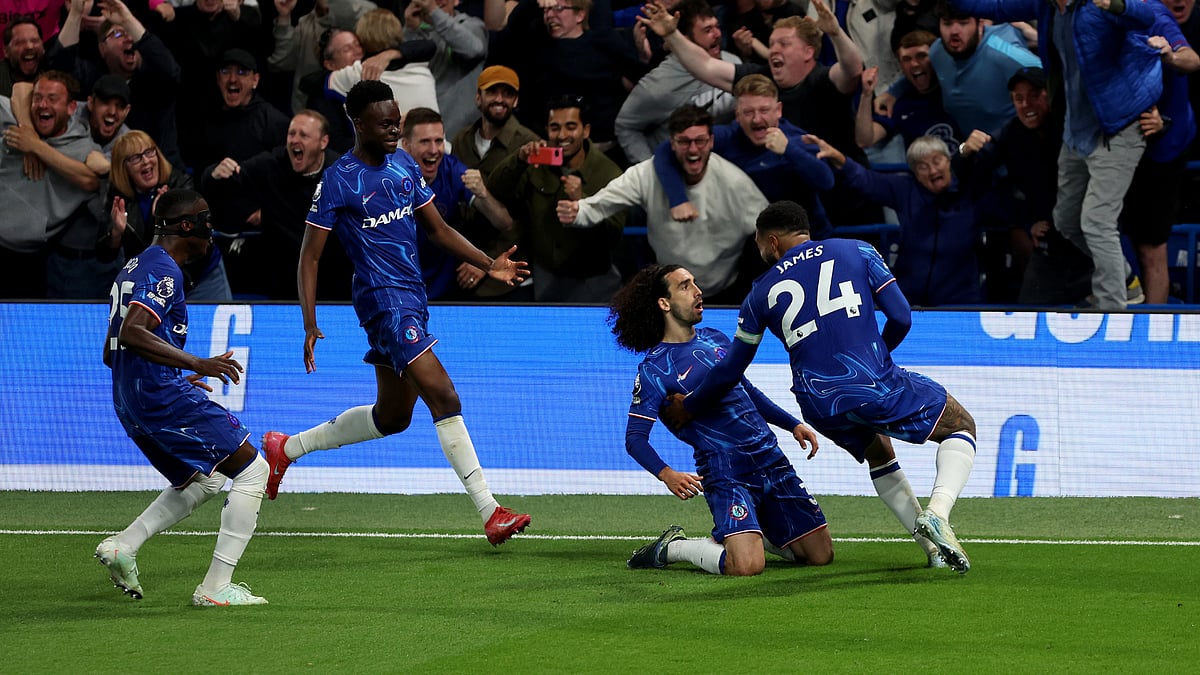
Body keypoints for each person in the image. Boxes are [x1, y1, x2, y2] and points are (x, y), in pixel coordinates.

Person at [261, 80, 533, 546]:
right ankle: (491, 511)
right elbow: (310, 256)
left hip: (414, 298)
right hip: (383, 303)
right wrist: (309, 322)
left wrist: (489, 264)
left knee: (393, 417)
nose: (394, 130)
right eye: (385, 123)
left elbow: (439, 229)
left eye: (397, 122)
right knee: (444, 395)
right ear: (357, 123)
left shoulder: (404, 164)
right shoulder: (339, 180)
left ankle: (286, 447)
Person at [662, 200, 977, 574]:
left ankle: (935, 551)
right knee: (961, 426)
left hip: (817, 403)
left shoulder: (758, 293)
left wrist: (689, 406)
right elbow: (902, 316)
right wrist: (878, 356)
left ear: (773, 241)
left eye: (759, 244)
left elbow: (731, 369)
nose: (760, 252)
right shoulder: (856, 250)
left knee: (879, 452)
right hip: (871, 380)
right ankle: (937, 513)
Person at [97, 187, 269, 606]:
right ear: (187, 226)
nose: (212, 230)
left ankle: (124, 545)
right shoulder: (164, 270)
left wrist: (169, 372)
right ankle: (215, 588)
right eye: (207, 221)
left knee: (206, 478)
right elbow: (132, 333)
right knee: (253, 469)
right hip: (158, 396)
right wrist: (196, 364)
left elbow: (110, 351)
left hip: (130, 398)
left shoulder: (136, 266)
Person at [610, 263, 833, 576]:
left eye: (695, 282)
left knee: (821, 555)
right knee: (746, 566)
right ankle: (673, 547)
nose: (698, 291)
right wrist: (667, 474)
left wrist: (792, 424)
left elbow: (747, 391)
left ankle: (754, 532)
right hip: (726, 470)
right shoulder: (654, 370)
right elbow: (635, 438)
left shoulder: (716, 339)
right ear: (664, 303)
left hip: (769, 456)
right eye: (685, 286)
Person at [947, 0, 1164, 310]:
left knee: (1096, 221)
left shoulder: (1098, 5)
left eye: (1032, 96)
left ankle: (1112, 311)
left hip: (1116, 127)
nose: (1025, 104)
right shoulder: (1047, 7)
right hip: (1077, 130)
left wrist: (1116, 3)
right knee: (1066, 220)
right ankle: (1125, 280)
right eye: (1018, 98)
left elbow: (1146, 17)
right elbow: (995, 7)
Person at [639, 1, 879, 227]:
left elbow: (852, 68)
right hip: (797, 210)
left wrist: (835, 33)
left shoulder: (825, 79)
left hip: (850, 199)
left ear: (808, 52)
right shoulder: (758, 83)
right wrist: (673, 35)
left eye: (783, 44)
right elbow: (706, 66)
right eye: (772, 43)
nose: (774, 50)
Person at [556, 104, 767, 304]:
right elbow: (605, 200)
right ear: (672, 143)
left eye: (700, 141)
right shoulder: (646, 174)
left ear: (711, 141)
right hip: (668, 291)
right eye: (684, 141)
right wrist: (579, 211)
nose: (693, 149)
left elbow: (772, 230)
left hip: (724, 293)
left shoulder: (736, 183)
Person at [811, 133, 989, 306]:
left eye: (937, 161)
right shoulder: (905, 189)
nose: (933, 170)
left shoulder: (970, 190)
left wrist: (968, 150)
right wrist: (838, 158)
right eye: (923, 166)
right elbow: (866, 179)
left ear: (949, 161)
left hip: (961, 301)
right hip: (910, 299)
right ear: (915, 174)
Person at [651, 74, 836, 239]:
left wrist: (788, 150)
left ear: (778, 110)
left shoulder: (797, 140)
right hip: (752, 239)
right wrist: (678, 200)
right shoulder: (729, 137)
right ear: (737, 115)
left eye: (764, 111)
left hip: (806, 238)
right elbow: (665, 149)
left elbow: (826, 182)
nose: (756, 119)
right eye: (748, 112)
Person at [199, 109, 353, 299]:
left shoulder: (343, 174)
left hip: (334, 279)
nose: (295, 140)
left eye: (303, 135)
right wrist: (213, 174)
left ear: (323, 142)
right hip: (284, 281)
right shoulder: (271, 164)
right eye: (291, 134)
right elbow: (221, 187)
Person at [486, 94, 626, 302]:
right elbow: (495, 189)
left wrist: (583, 203)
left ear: (586, 130)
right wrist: (519, 159)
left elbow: (614, 236)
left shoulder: (608, 173)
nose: (562, 135)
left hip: (595, 283)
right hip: (546, 279)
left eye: (571, 127)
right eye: (554, 127)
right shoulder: (536, 164)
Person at [0, 70, 100, 299]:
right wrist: (28, 130)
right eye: (38, 98)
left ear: (71, 107)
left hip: (27, 260)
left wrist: (36, 148)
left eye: (52, 99)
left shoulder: (84, 149)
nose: (43, 105)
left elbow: (91, 181)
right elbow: (20, 88)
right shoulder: (16, 117)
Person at [400, 106, 514, 300]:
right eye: (425, 142)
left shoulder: (452, 170)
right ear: (406, 145)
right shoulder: (387, 177)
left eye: (438, 141)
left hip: (445, 292)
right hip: (399, 288)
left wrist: (483, 193)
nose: (434, 150)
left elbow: (504, 223)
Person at [107, 130, 233, 300]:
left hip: (201, 277)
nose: (146, 161)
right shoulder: (119, 197)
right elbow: (104, 254)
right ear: (124, 167)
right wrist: (116, 233)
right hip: (156, 284)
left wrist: (160, 220)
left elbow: (190, 242)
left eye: (149, 152)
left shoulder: (180, 185)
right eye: (136, 158)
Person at [614, 0, 741, 164]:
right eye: (707, 30)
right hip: (679, 167)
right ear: (685, 39)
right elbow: (625, 125)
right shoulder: (658, 84)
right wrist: (649, 169)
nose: (717, 34)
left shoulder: (732, 63)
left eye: (717, 26)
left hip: (724, 163)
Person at [1, 14, 45, 97]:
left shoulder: (56, 73)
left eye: (34, 41)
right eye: (20, 42)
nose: (29, 46)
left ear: (43, 47)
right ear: (6, 52)